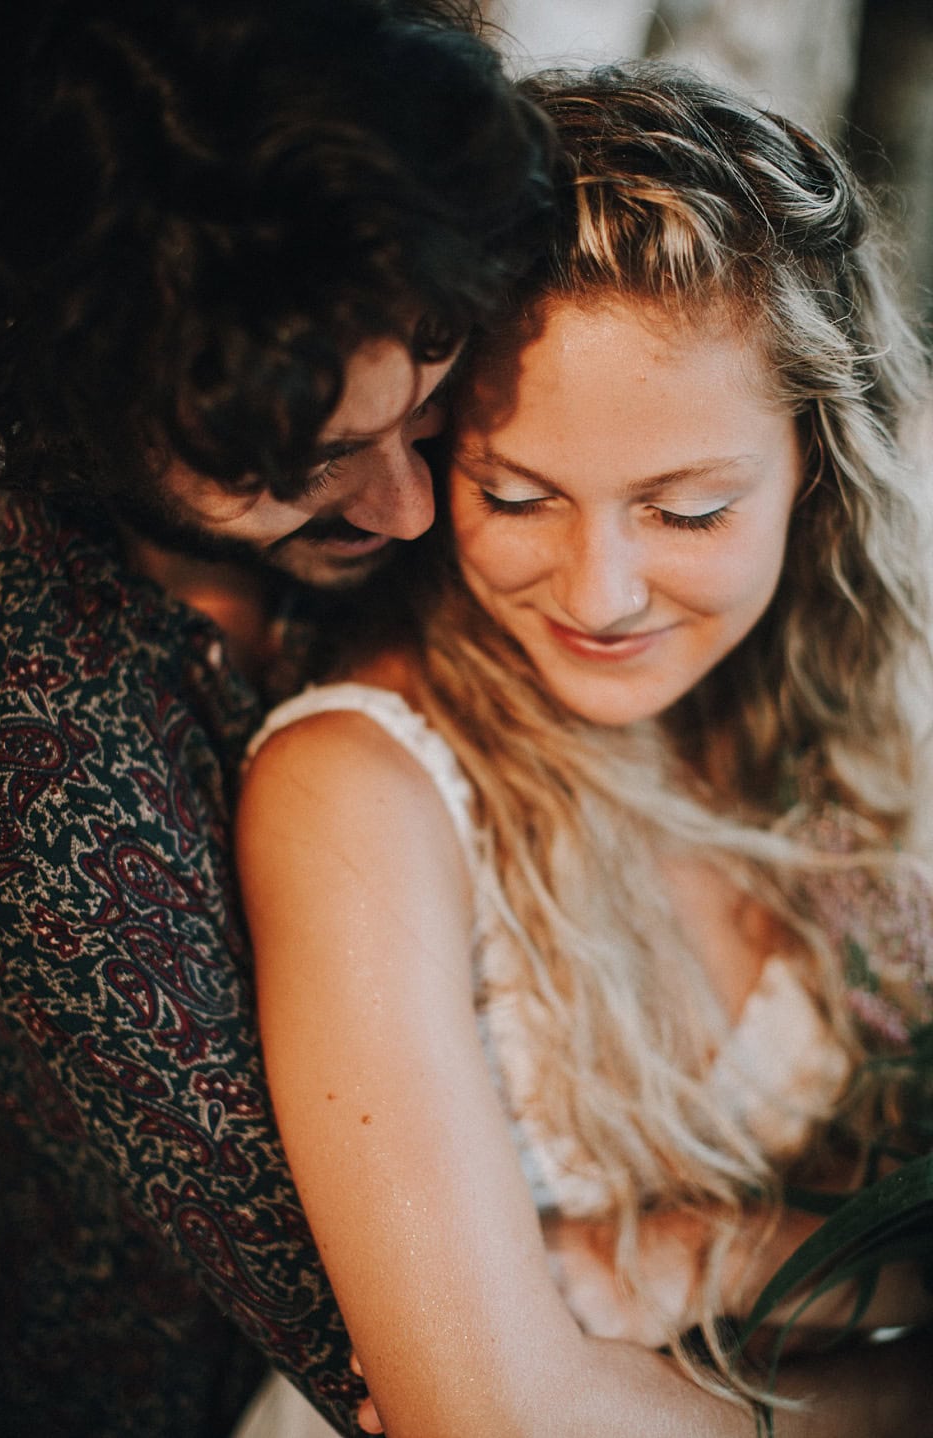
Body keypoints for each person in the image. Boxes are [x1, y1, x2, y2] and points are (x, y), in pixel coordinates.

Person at [237, 61, 933, 1438]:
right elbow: (490, 1418)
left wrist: (720, 1254)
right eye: (514, 496)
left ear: (817, 465)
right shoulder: (360, 795)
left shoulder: (851, 715)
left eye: (686, 511)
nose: (599, 595)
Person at [0, 2, 554, 1435]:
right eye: (308, 466)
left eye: (430, 395)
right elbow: (425, 1359)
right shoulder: (47, 776)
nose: (410, 509)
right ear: (85, 402)